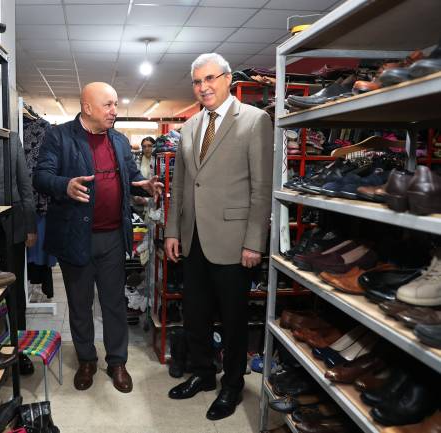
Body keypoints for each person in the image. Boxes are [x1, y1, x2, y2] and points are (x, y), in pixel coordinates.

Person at [33, 82, 162, 393]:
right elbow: (41, 176)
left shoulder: (119, 140)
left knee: (114, 303)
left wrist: (143, 185)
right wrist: (64, 185)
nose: (114, 110)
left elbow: (130, 176)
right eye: (108, 105)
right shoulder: (59, 136)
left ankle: (117, 362)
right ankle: (87, 360)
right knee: (80, 304)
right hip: (75, 237)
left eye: (115, 104)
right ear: (87, 107)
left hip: (113, 237)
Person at [164, 53, 272, 420]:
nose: (203, 87)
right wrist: (173, 231)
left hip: (234, 239)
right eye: (197, 81)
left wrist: (254, 241)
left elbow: (261, 188)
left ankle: (232, 385)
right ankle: (203, 373)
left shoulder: (255, 120)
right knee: (195, 314)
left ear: (227, 79)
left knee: (233, 318)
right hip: (193, 237)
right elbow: (181, 185)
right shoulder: (190, 126)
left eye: (210, 78)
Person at [0, 85, 38, 376]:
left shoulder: (12, 139)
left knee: (14, 292)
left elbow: (25, 185)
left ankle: (17, 349)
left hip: (12, 226)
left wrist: (30, 226)